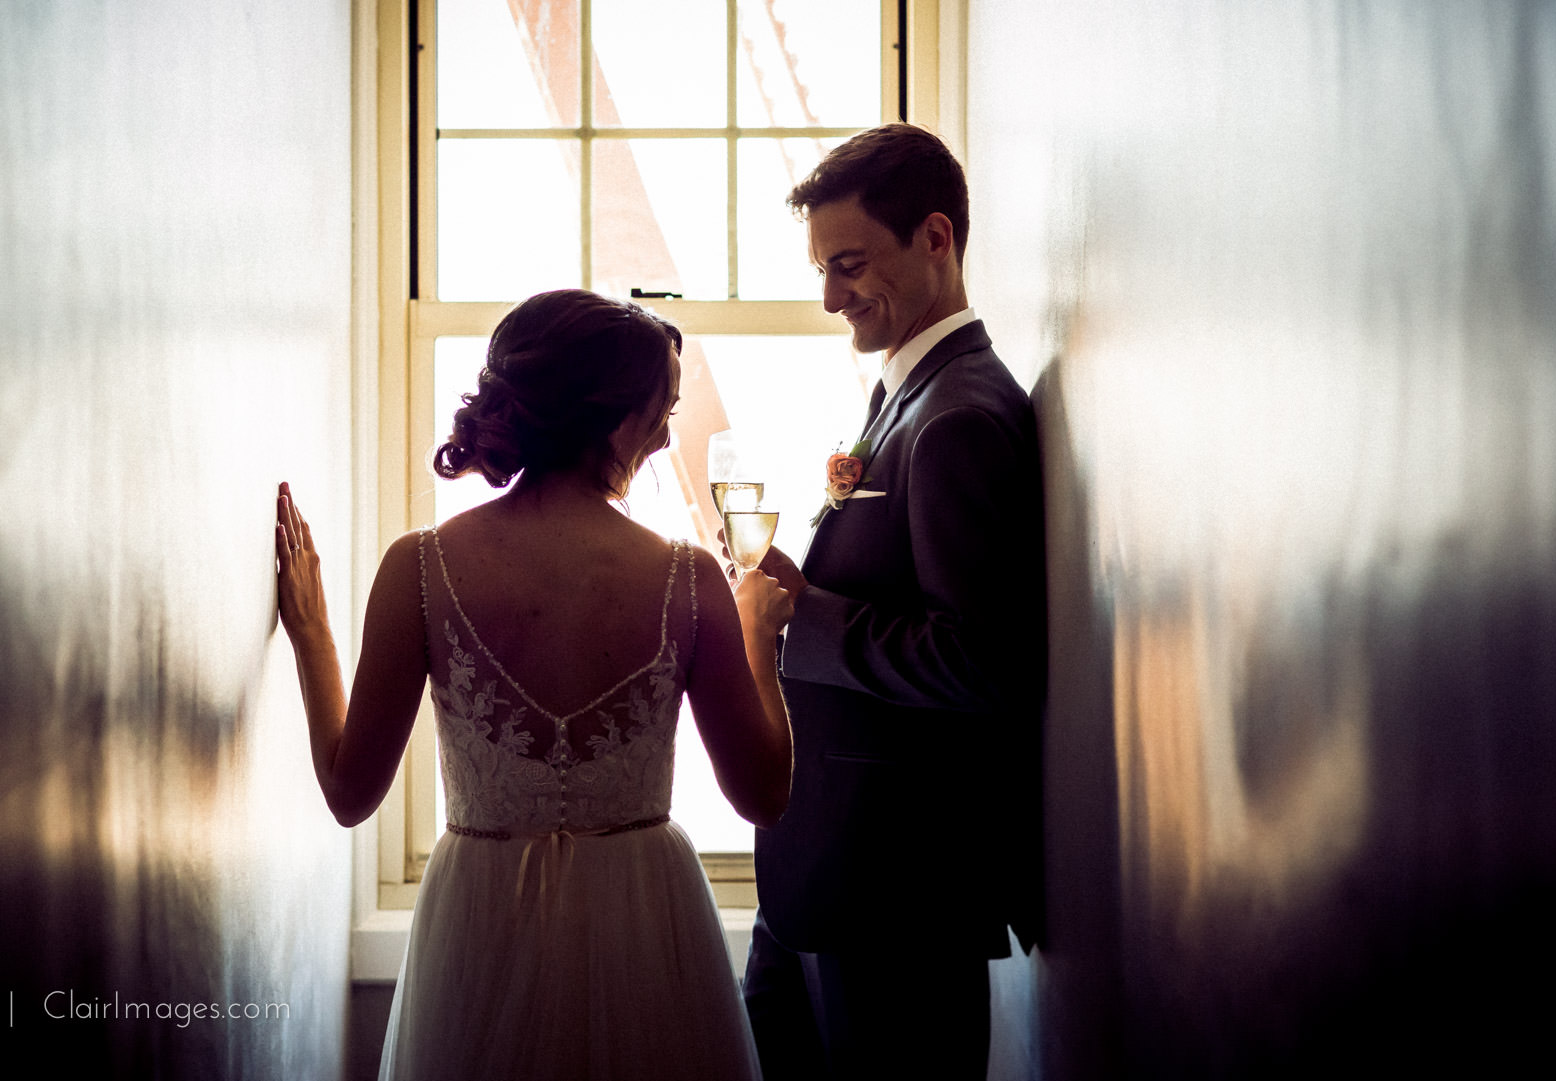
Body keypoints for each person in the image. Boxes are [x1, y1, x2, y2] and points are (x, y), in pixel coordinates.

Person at [274, 288, 794, 1081]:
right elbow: (765, 793)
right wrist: (760, 632)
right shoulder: (690, 580)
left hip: (479, 918)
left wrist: (311, 633)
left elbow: (349, 793)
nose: (665, 435)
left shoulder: (420, 568)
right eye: (660, 413)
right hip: (644, 922)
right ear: (611, 417)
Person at [739, 124, 1046, 1079]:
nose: (832, 297)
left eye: (850, 264)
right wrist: (801, 586)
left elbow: (980, 660)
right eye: (823, 270)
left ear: (936, 238)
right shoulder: (909, 395)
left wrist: (803, 619)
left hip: (893, 893)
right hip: (826, 871)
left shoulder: (959, 417)